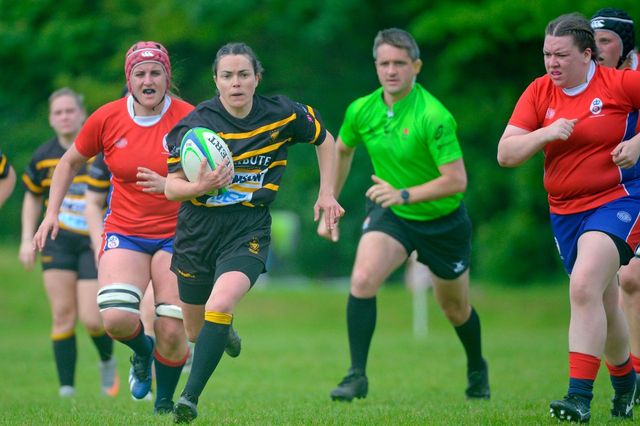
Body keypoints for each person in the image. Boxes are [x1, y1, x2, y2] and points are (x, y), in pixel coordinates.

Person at [163, 42, 344, 423]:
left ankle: (189, 400)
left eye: (244, 74)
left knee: (221, 303)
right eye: (227, 76)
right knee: (196, 330)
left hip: (248, 226)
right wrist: (201, 185)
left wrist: (327, 193)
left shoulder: (282, 114)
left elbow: (325, 139)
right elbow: (170, 187)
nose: (236, 83)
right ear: (216, 81)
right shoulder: (195, 125)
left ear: (257, 78)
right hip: (198, 231)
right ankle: (222, 332)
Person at [318, 28, 490, 403]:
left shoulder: (434, 115)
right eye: (384, 63)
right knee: (362, 278)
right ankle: (356, 376)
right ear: (376, 67)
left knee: (455, 308)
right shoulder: (362, 109)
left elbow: (456, 180)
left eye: (399, 63)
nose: (391, 71)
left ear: (416, 66)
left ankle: (477, 366)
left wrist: (404, 194)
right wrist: (329, 196)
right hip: (392, 213)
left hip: (443, 221)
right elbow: (342, 149)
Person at [33, 41, 193, 415]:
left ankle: (165, 405)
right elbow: (70, 162)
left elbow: (213, 173)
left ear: (168, 76)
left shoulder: (190, 117)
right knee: (116, 319)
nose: (148, 80)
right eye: (140, 73)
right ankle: (143, 354)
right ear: (129, 78)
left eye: (156, 72)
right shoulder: (107, 117)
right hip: (126, 230)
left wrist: (184, 185)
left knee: (171, 327)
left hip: (178, 233)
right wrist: (51, 213)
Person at [498, 13, 640, 422]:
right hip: (565, 211)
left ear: (587, 54)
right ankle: (627, 383)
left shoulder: (618, 84)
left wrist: (637, 143)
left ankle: (578, 397)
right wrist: (545, 133)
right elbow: (505, 155)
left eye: (561, 55)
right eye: (546, 54)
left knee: (582, 287)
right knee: (604, 300)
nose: (551, 63)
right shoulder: (540, 91)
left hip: (619, 199)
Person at [19, 88, 118, 398]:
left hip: (92, 241)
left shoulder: (100, 152)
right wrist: (25, 239)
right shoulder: (43, 156)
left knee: (92, 317)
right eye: (58, 112)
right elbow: (32, 196)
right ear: (51, 119)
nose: (64, 117)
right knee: (62, 314)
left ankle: (107, 360)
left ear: (82, 114)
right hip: (57, 241)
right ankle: (66, 390)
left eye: (69, 111)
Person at [591, 8, 640, 403]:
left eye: (605, 41)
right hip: (622, 195)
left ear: (625, 47)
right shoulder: (585, 79)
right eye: (592, 42)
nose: (597, 49)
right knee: (624, 281)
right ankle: (633, 376)